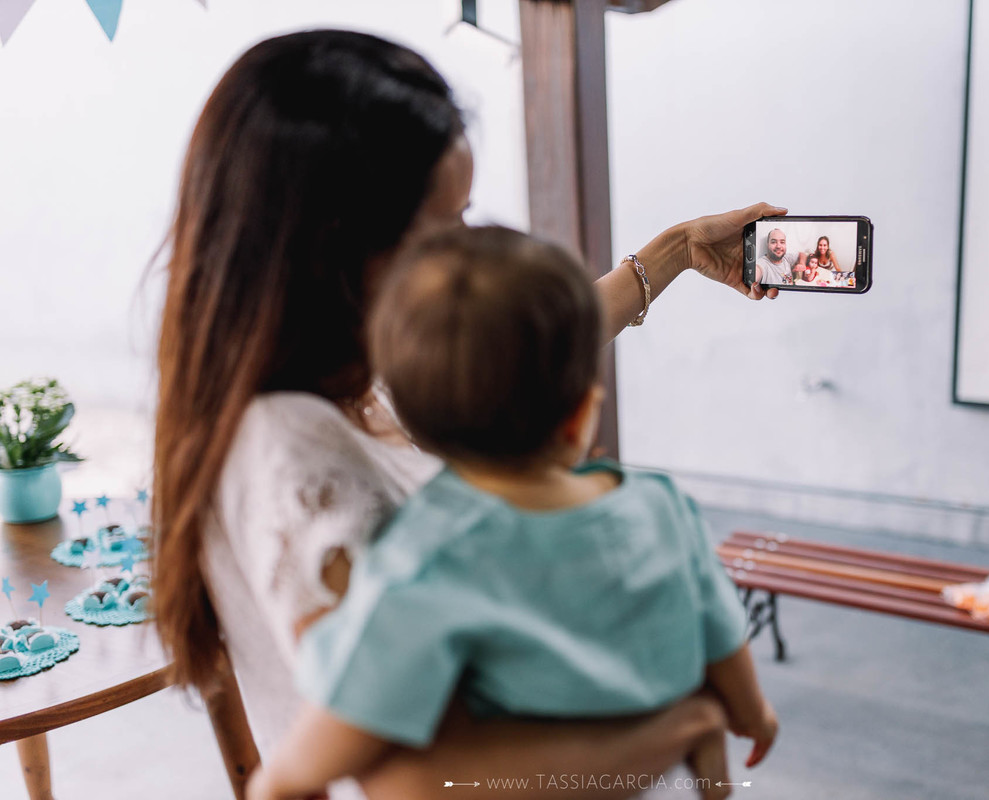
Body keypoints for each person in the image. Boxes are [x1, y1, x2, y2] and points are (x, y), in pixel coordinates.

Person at [151, 29, 785, 800]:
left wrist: (678, 251)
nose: (462, 254)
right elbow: (418, 780)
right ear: (338, 244)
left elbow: (519, 348)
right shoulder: (292, 451)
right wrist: (679, 728)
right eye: (442, 227)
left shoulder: (356, 370)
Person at [247, 226, 779, 800]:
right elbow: (723, 635)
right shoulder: (662, 505)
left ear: (413, 430)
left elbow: (340, 728)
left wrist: (275, 781)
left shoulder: (424, 557)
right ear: (579, 417)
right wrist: (752, 713)